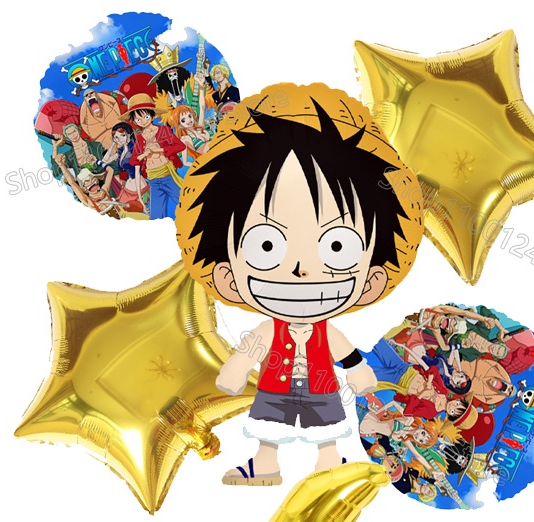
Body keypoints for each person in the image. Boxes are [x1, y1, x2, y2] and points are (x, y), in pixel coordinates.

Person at [176, 84, 424, 484]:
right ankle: (265, 464)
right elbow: (251, 349)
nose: (299, 269)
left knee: (327, 427)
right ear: (227, 274)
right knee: (268, 426)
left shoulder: (326, 330)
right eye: (266, 245)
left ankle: (330, 461)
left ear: (372, 277)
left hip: (322, 387)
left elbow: (346, 354)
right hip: (274, 386)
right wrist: (236, 368)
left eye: (337, 246)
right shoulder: (268, 328)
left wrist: (359, 373)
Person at [124, 93, 186, 220]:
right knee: (156, 218)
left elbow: (180, 146)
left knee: (188, 204)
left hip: (168, 176)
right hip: (153, 181)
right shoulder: (139, 138)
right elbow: (136, 164)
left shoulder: (163, 130)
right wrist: (140, 198)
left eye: (146, 117)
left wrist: (160, 150)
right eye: (138, 119)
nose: (143, 121)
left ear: (152, 115)